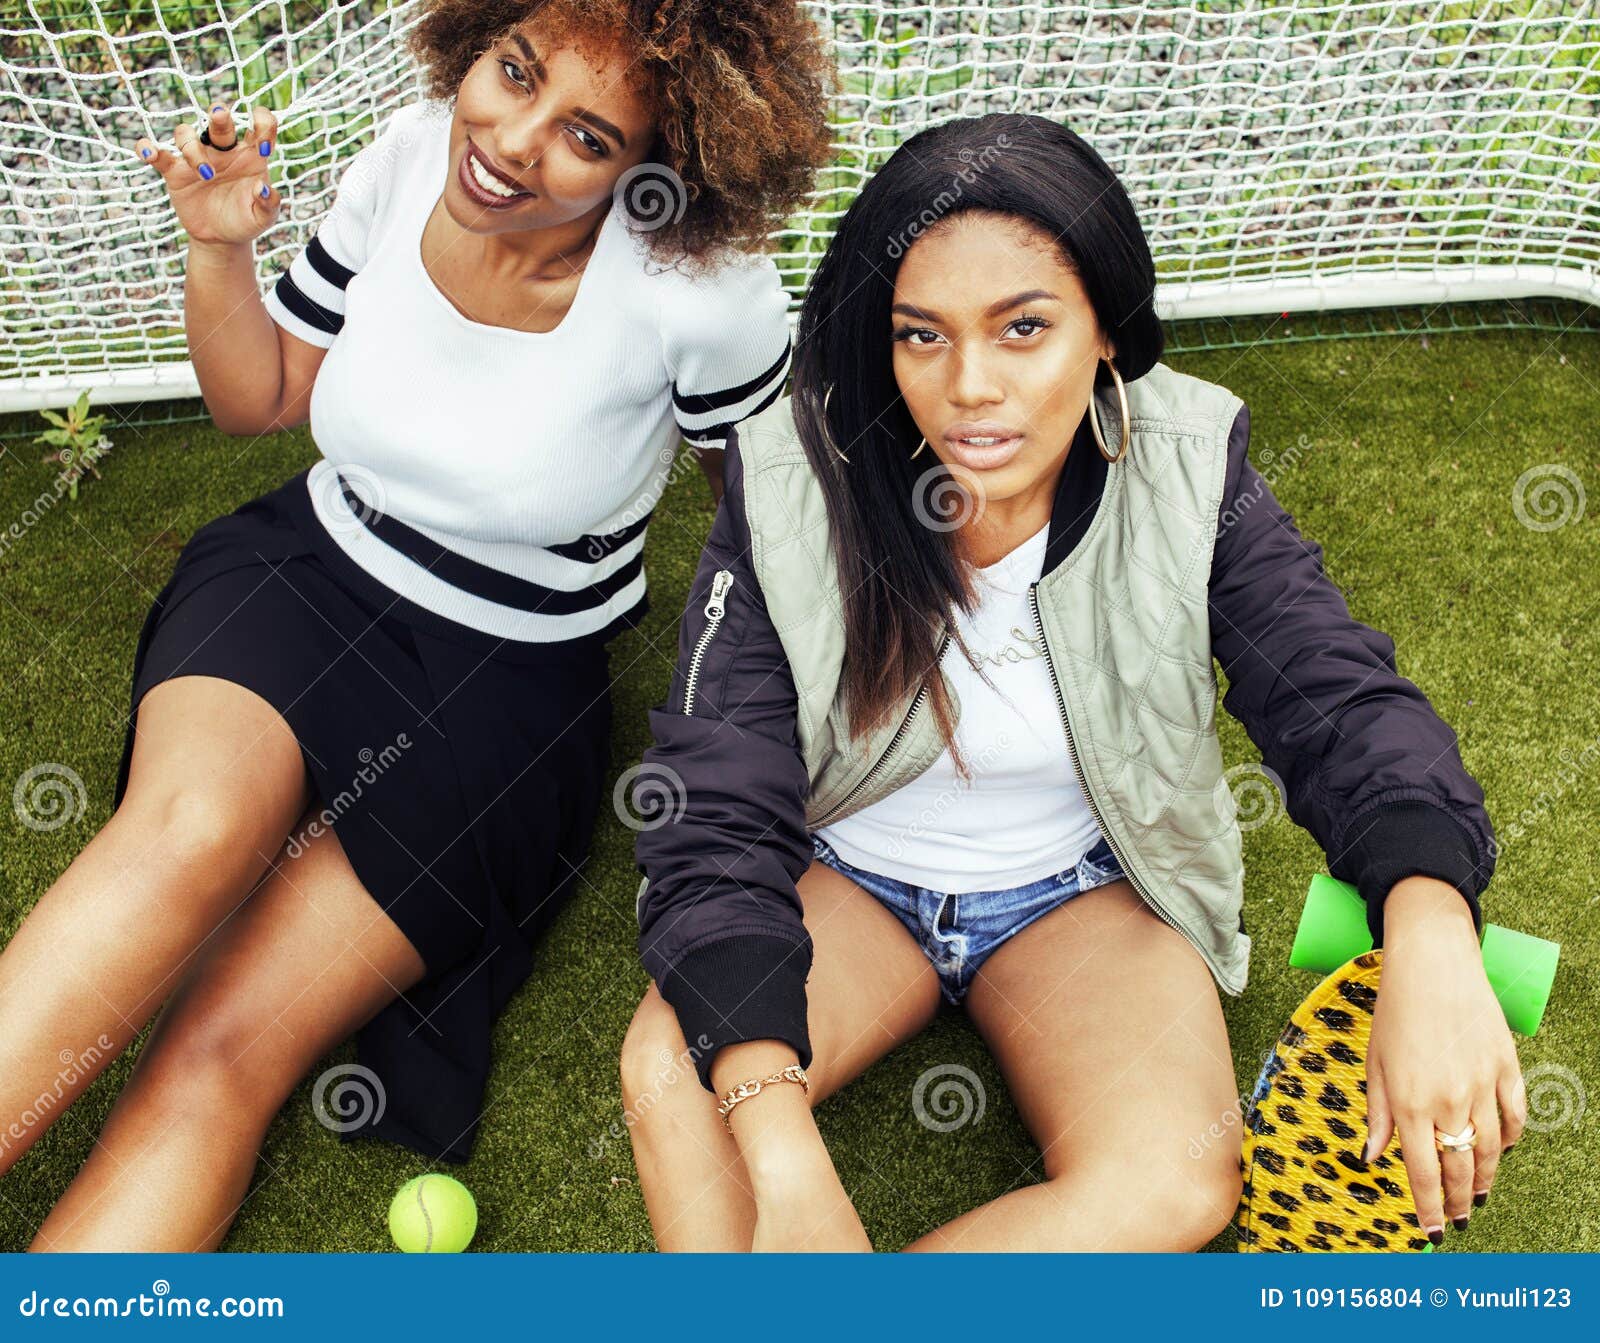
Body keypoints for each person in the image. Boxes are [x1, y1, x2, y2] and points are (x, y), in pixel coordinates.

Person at [1, 0, 831, 1250]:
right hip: (303, 580)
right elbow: (263, 397)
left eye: (587, 137)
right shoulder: (403, 156)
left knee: (226, 1041)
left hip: (504, 689)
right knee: (188, 832)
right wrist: (216, 247)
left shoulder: (701, 293)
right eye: (513, 72)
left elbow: (764, 524)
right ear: (476, 45)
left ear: (661, 171)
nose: (509, 138)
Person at [621, 112, 1522, 1252]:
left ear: (1106, 330)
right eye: (920, 336)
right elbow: (714, 796)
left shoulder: (1192, 464)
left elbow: (1337, 698)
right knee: (670, 1073)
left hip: (1081, 891)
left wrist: (1432, 929)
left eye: (1023, 328)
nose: (967, 389)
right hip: (845, 869)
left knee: (1176, 1180)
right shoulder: (796, 475)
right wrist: (784, 1144)